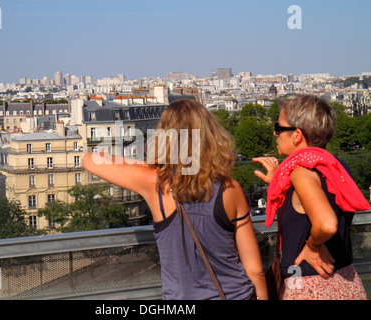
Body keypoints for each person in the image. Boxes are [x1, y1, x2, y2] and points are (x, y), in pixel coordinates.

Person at [83, 99, 268, 300]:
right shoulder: (230, 188)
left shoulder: (155, 183)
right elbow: (255, 271)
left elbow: (91, 159)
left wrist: (156, 165)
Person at [253, 94, 370, 300]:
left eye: (279, 128)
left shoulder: (301, 174)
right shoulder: (337, 168)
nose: (274, 133)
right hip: (345, 281)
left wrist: (312, 246)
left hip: (309, 287)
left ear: (297, 135)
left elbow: (326, 224)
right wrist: (277, 182)